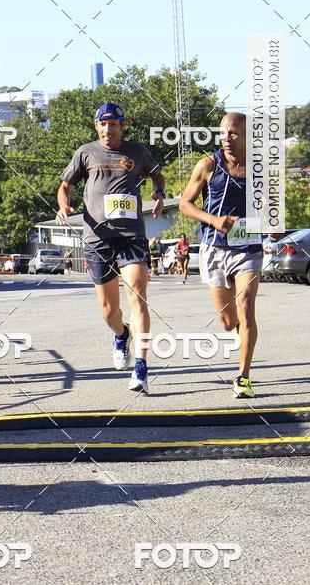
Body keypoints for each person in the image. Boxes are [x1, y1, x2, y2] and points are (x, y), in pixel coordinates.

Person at [56, 102, 165, 394]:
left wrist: (158, 192)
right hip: (97, 237)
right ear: (96, 127)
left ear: (122, 126)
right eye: (103, 125)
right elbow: (65, 185)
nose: (108, 130)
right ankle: (121, 334)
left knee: (138, 298)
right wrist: (64, 205)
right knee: (108, 311)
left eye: (113, 125)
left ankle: (141, 369)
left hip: (131, 235)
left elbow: (157, 174)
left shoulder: (137, 152)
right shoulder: (85, 152)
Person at [179, 112, 263, 398]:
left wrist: (272, 222)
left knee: (246, 306)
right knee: (228, 321)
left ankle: (243, 376)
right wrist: (214, 221)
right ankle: (241, 334)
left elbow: (269, 208)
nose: (227, 138)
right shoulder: (208, 165)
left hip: (248, 248)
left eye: (234, 133)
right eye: (223, 133)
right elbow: (184, 204)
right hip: (214, 248)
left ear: (247, 136)